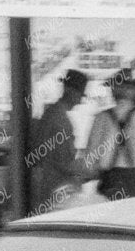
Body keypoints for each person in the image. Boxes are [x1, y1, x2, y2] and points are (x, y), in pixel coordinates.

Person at [82, 76, 135, 198]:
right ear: (132, 92)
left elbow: (89, 162)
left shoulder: (101, 118)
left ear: (113, 91)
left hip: (110, 183)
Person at [27, 68, 89, 212]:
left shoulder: (51, 113)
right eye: (80, 95)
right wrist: (89, 170)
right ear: (71, 92)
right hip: (54, 189)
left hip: (43, 186)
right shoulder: (61, 121)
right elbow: (65, 162)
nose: (80, 101)